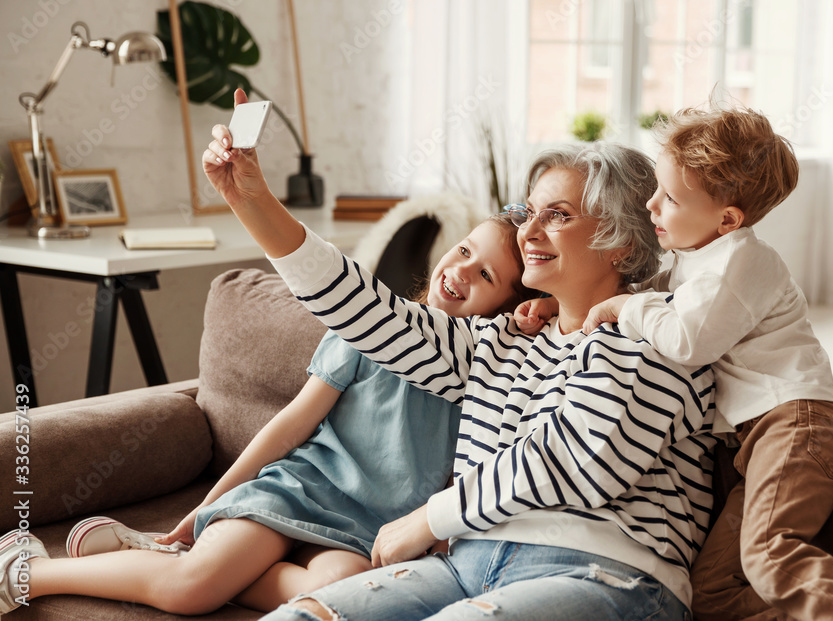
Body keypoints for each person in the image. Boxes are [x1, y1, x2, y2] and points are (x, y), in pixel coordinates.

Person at [180, 90, 719, 621]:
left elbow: (571, 461)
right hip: (467, 567)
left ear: (621, 242)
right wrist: (251, 200)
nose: (527, 232)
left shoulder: (662, 334)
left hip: (606, 573)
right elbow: (366, 310)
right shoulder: (501, 341)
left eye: (557, 216)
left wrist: (429, 521)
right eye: (529, 212)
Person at [0, 193, 535, 615]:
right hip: (299, 492)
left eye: (486, 274)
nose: (462, 271)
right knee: (194, 589)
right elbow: (290, 425)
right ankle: (27, 570)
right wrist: (207, 506)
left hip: (367, 527)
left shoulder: (491, 372)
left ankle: (146, 556)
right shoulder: (368, 329)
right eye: (465, 249)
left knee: (339, 593)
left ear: (512, 306)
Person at [521, 106, 833, 621]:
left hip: (794, 426)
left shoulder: (743, 261)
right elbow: (644, 297)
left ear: (727, 219)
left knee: (769, 553)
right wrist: (562, 304)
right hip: (752, 442)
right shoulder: (695, 260)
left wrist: (627, 307)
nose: (651, 205)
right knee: (711, 594)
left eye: (669, 198)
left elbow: (684, 339)